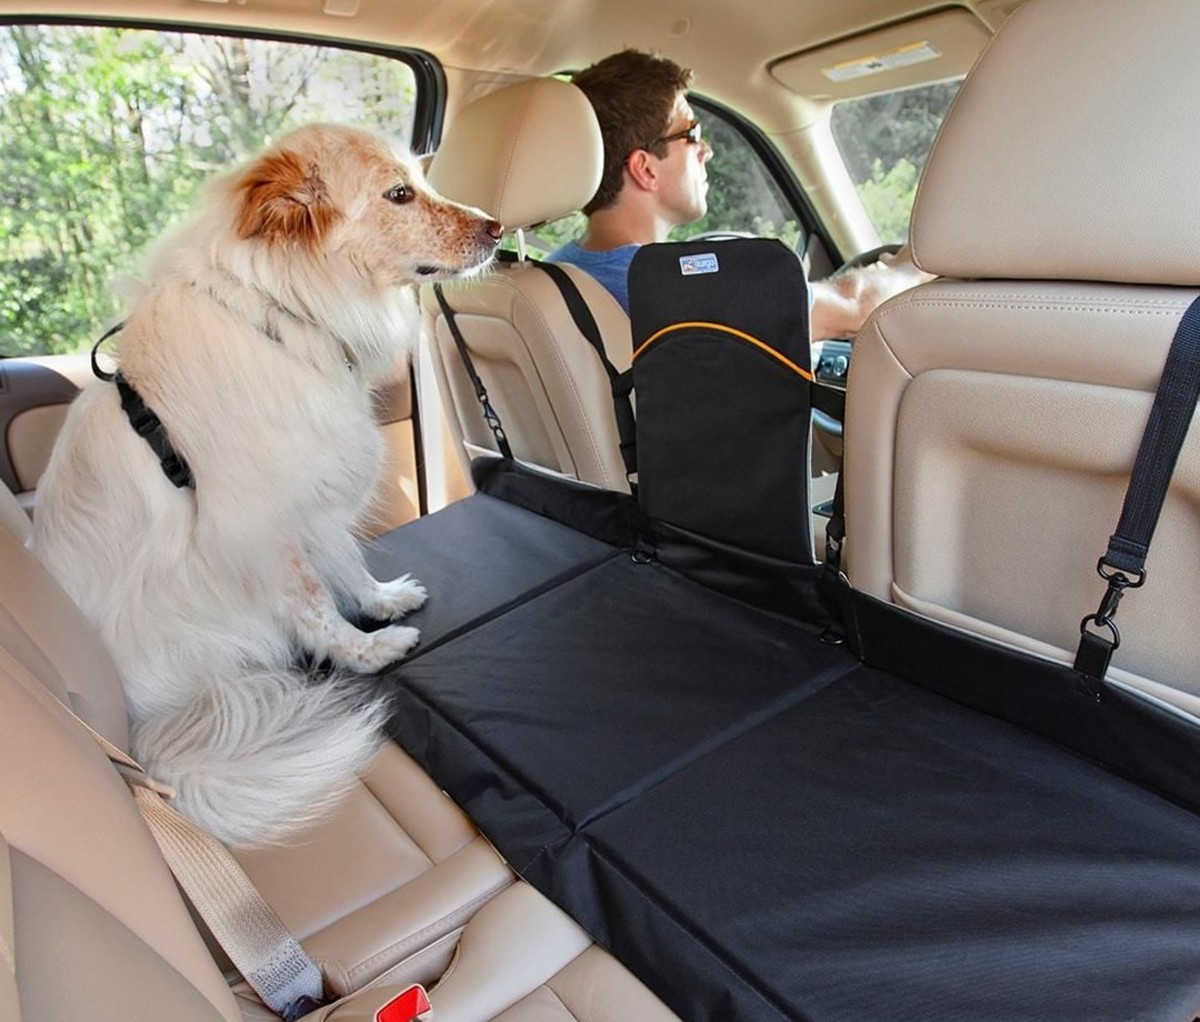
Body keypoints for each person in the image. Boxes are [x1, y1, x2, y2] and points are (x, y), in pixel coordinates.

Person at [548, 49, 930, 338]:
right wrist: (920, 263)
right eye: (691, 135)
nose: (707, 150)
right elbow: (856, 305)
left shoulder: (550, 275)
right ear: (645, 169)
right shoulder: (681, 288)